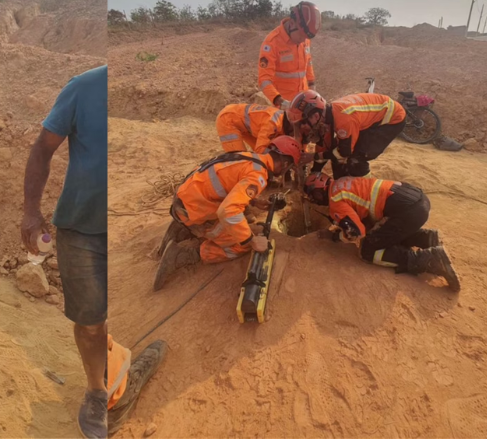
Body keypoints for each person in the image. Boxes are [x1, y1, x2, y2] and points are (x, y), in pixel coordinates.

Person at [21, 65, 108, 438]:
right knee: (91, 324)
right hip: (82, 229)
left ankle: (118, 372)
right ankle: (96, 390)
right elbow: (42, 148)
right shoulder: (84, 87)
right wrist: (30, 212)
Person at [154, 136, 301, 290]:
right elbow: (228, 211)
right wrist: (251, 240)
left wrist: (253, 201)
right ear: (284, 163)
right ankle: (183, 255)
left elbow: (228, 182)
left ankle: (182, 226)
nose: (286, 171)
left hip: (184, 198)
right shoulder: (258, 176)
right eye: (288, 167)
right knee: (240, 246)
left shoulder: (252, 158)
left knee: (240, 214)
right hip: (193, 209)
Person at [304, 173, 459, 290]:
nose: (314, 200)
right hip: (415, 199)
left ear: (319, 192)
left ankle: (428, 259)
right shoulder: (341, 182)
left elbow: (357, 232)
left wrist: (335, 236)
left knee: (367, 250)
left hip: (407, 212)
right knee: (383, 231)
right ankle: (426, 239)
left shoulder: (335, 202)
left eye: (313, 195)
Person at [287, 90, 406, 178]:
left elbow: (344, 152)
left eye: (303, 122)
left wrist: (313, 157)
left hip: (391, 119)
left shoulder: (343, 119)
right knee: (337, 156)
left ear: (316, 116)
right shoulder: (328, 117)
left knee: (355, 159)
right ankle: (346, 183)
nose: (302, 127)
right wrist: (314, 172)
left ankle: (365, 190)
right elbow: (325, 146)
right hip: (373, 118)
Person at [257, 1, 321, 109]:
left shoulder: (304, 39)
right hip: (283, 106)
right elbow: (264, 80)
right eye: (301, 36)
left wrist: (312, 88)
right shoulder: (271, 43)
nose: (304, 40)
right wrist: (281, 102)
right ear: (292, 23)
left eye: (306, 37)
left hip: (303, 102)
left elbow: (308, 63)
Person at [215, 103, 293, 153]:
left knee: (261, 153)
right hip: (228, 119)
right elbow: (260, 149)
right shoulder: (272, 123)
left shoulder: (283, 120)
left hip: (245, 125)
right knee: (238, 158)